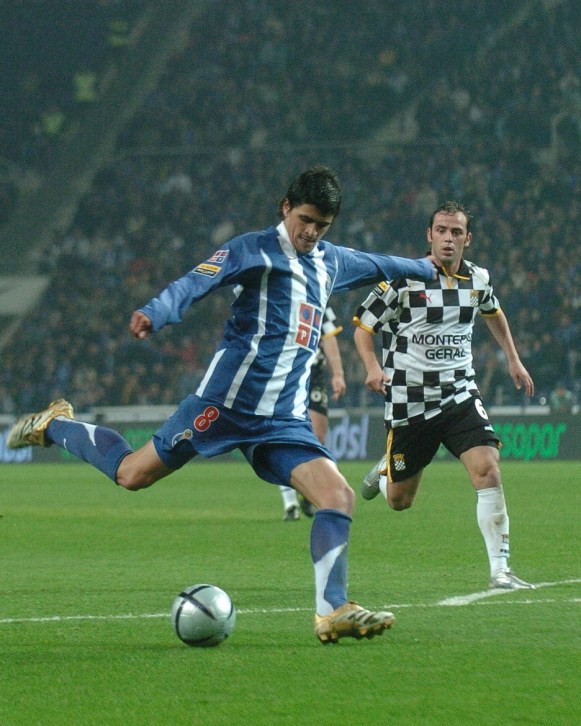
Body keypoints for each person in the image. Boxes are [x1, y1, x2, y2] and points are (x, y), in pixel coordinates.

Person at [8, 166, 436, 644]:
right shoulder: (252, 249)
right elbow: (196, 281)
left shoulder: (331, 261)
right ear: (286, 208)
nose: (311, 232)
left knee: (338, 497)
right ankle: (56, 424)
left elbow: (382, 264)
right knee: (132, 474)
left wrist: (430, 268)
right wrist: (157, 311)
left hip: (282, 421)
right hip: (223, 406)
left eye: (322, 225)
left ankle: (331, 610)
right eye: (305, 220)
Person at [354, 200, 535, 591]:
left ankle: (500, 571)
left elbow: (494, 313)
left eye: (456, 232)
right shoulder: (404, 279)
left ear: (468, 239)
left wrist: (513, 359)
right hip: (410, 403)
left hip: (459, 395)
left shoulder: (478, 279)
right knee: (400, 500)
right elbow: (363, 327)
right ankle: (385, 472)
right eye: (441, 230)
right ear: (429, 235)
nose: (448, 238)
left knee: (488, 468)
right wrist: (372, 367)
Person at [279, 305, 346, 520]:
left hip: (313, 374)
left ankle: (309, 493)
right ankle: (290, 503)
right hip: (285, 373)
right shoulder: (277, 301)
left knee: (318, 437)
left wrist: (338, 374)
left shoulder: (319, 300)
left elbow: (329, 336)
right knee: (283, 436)